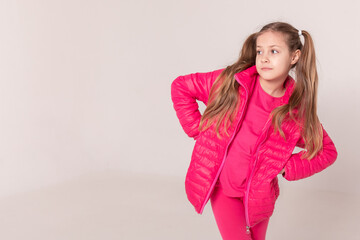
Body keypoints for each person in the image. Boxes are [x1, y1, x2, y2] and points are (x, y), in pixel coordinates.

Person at [170, 21, 338, 240]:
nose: (264, 58)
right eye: (260, 51)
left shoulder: (296, 110)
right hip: (224, 189)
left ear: (294, 57)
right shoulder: (231, 83)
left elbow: (327, 151)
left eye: (274, 51)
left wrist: (286, 166)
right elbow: (181, 86)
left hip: (259, 198)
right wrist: (197, 130)